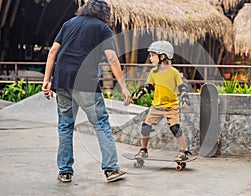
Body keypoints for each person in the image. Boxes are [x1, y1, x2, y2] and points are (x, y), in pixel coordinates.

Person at [42, 0, 131, 182]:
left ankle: (65, 171)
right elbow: (112, 58)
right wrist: (123, 87)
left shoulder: (69, 24)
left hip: (62, 80)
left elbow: (53, 52)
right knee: (101, 124)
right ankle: (111, 169)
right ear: (105, 13)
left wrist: (46, 81)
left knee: (65, 125)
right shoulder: (102, 28)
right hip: (85, 81)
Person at [132, 40, 191, 161]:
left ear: (163, 56)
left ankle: (183, 151)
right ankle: (143, 150)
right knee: (145, 127)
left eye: (153, 55)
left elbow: (182, 87)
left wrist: (185, 99)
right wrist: (140, 93)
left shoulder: (174, 72)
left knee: (175, 128)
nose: (150, 58)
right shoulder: (153, 72)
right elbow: (149, 86)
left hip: (171, 106)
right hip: (156, 107)